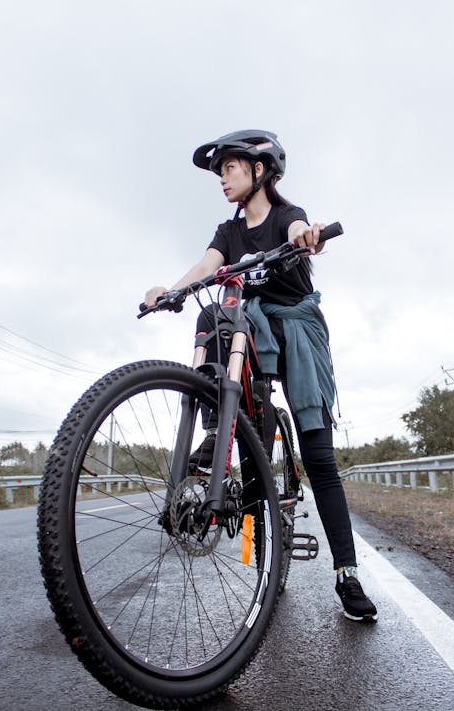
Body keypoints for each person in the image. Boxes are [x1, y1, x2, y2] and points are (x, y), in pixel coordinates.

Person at [145, 130, 378, 622]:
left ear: (260, 170)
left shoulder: (284, 216)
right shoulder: (227, 233)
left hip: (295, 331)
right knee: (213, 314)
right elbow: (208, 267)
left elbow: (297, 231)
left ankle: (347, 573)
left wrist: (307, 237)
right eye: (221, 171)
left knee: (318, 457)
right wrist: (170, 290)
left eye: (230, 168)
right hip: (251, 334)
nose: (223, 179)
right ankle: (217, 435)